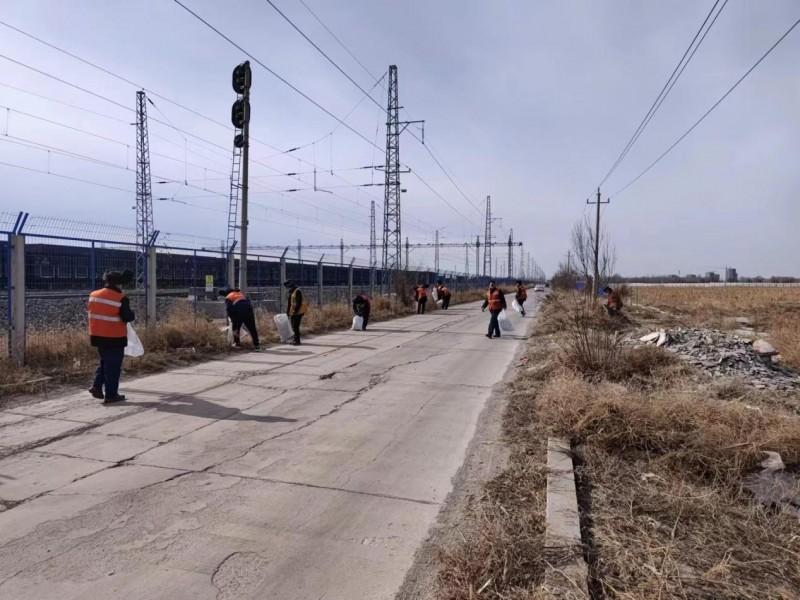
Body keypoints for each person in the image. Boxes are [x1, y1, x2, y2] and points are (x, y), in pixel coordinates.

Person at [87, 269, 135, 403]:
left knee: (105, 361)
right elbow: (127, 317)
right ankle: (111, 395)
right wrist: (132, 313)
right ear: (119, 284)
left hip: (97, 335)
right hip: (114, 337)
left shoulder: (94, 294)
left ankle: (97, 386)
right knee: (113, 366)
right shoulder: (120, 298)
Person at [285, 280, 307, 345]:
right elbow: (290, 304)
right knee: (293, 326)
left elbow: (299, 303)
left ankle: (297, 341)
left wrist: (294, 312)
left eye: (288, 287)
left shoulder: (297, 291)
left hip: (299, 312)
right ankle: (295, 339)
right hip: (294, 312)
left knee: (295, 326)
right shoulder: (291, 292)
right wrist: (288, 313)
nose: (288, 288)